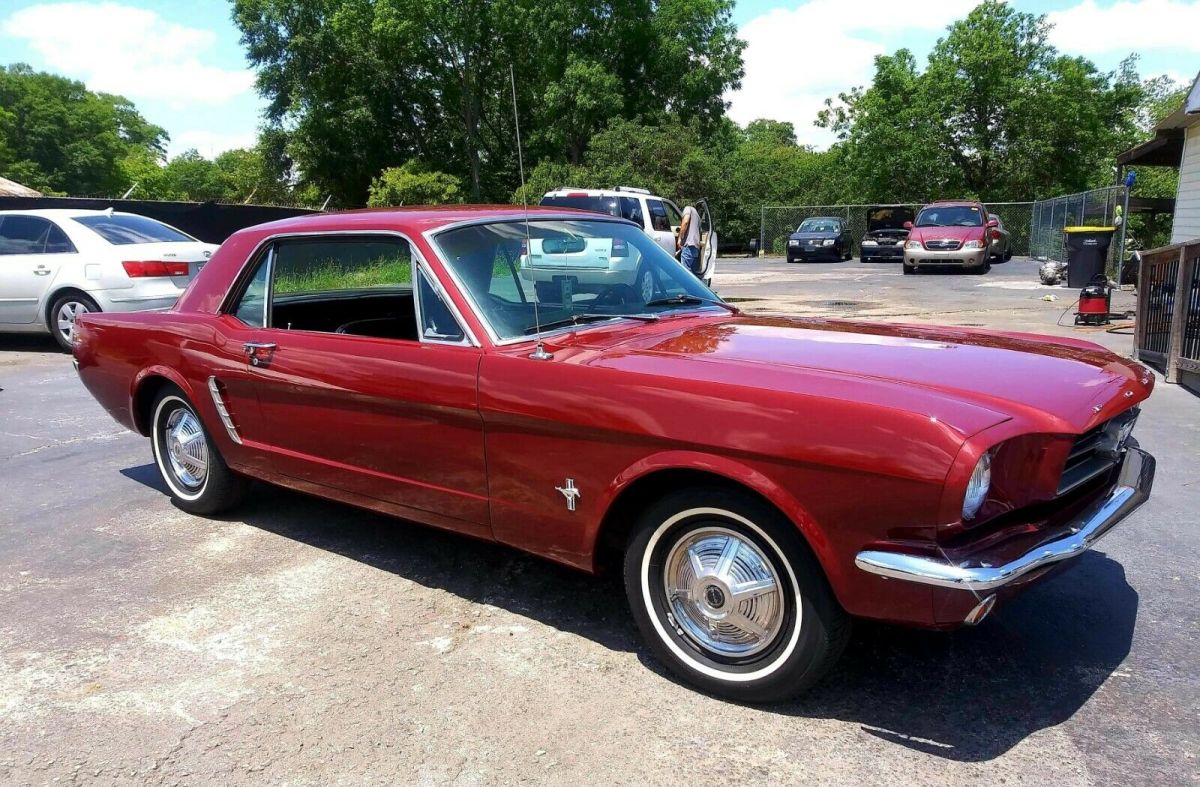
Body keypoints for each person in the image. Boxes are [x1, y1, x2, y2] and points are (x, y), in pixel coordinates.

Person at [677, 204, 702, 277]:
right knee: (693, 275)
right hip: (696, 248)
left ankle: (687, 288)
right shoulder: (696, 214)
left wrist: (680, 238)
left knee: (685, 274)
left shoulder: (688, 208)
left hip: (688, 246)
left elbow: (685, 222)